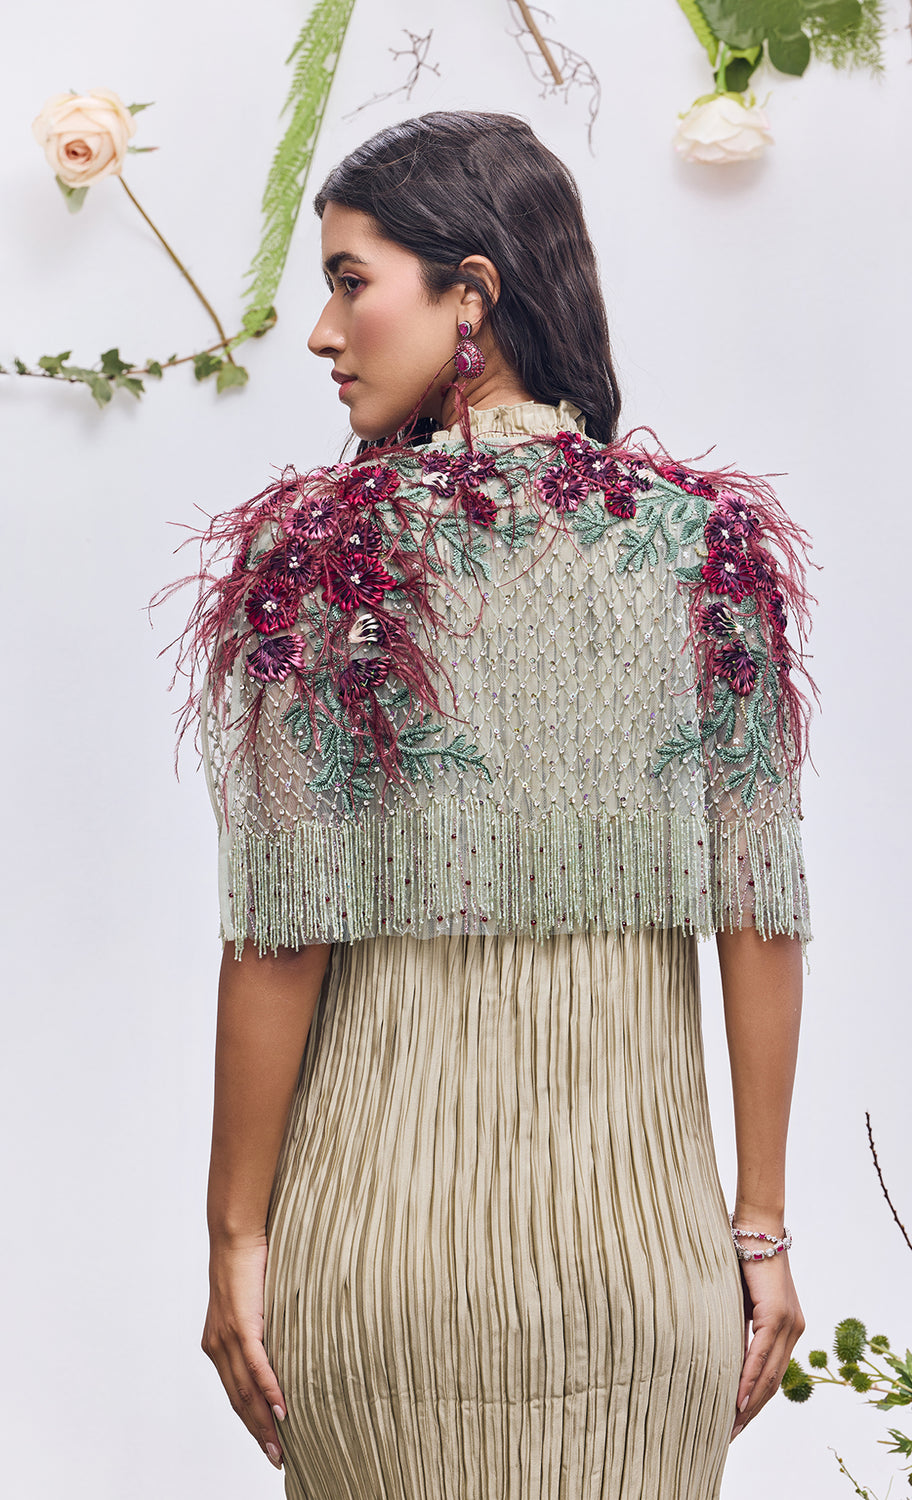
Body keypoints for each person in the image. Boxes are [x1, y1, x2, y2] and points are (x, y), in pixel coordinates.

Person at [181, 110, 813, 1499]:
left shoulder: (319, 559)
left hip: (378, 1256)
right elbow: (760, 909)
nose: (321, 332)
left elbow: (278, 939)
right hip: (640, 1267)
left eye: (350, 281)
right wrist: (761, 1227)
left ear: (471, 293)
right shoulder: (704, 549)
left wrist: (236, 1236)